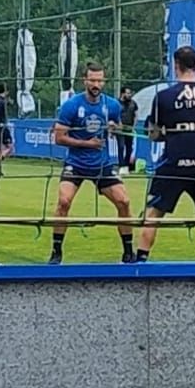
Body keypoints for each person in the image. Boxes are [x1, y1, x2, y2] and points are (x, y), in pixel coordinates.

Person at [137, 46, 195, 262]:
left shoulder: (164, 97)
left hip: (174, 161)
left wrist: (170, 135)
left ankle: (140, 260)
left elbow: (153, 133)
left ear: (175, 65)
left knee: (154, 213)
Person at [51, 62, 133, 264]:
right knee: (64, 202)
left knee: (124, 201)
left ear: (104, 81)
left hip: (101, 164)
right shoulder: (71, 105)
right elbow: (59, 137)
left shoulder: (112, 105)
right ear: (85, 81)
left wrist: (115, 127)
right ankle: (56, 251)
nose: (96, 84)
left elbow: (118, 126)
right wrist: (85, 143)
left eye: (99, 80)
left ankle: (128, 252)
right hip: (76, 162)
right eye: (92, 80)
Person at [117, 86, 138, 171]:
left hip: (129, 128)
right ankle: (121, 165)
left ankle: (127, 166)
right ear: (123, 94)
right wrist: (119, 124)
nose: (129, 95)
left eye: (130, 93)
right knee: (121, 147)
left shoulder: (133, 103)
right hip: (120, 129)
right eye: (127, 93)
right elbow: (115, 115)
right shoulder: (117, 103)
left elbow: (136, 114)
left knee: (129, 148)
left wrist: (134, 126)